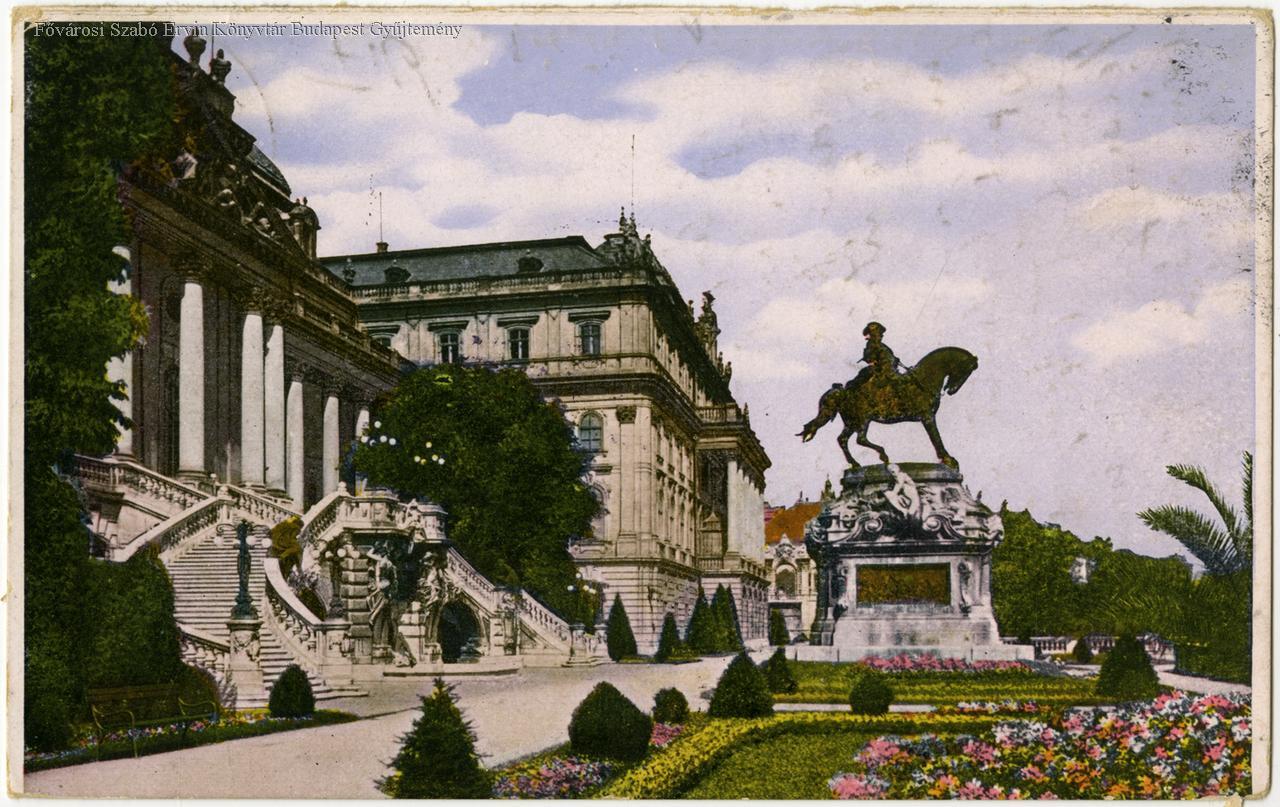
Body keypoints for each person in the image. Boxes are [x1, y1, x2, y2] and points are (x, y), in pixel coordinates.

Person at [845, 321, 899, 393]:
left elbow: (873, 360)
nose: (881, 335)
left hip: (883, 371)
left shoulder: (874, 344)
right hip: (886, 371)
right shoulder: (878, 345)